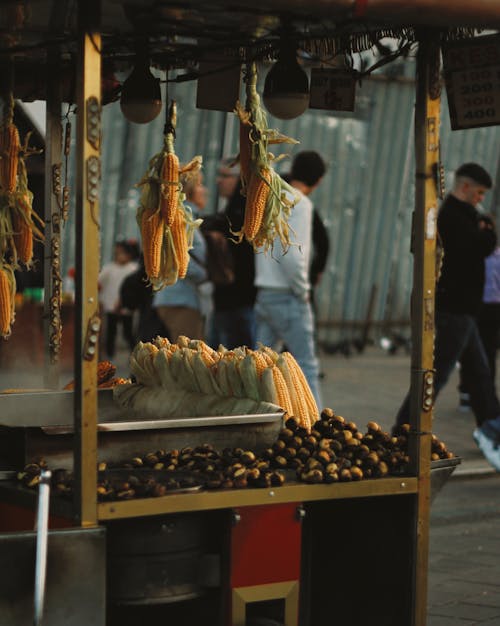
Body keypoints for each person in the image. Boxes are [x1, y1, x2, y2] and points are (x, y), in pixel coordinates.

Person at [394, 162, 500, 470]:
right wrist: (488, 234)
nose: (480, 199)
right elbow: (476, 248)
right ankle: (403, 429)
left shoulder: (462, 216)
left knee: (479, 373)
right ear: (465, 187)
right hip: (455, 310)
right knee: (437, 374)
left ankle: (492, 427)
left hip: (464, 310)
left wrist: (485, 231)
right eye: (479, 193)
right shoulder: (454, 216)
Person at [254, 150, 326, 408]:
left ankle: (257, 417)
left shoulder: (271, 197)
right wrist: (302, 290)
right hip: (287, 295)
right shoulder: (300, 203)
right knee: (306, 363)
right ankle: (315, 425)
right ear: (318, 181)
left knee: (261, 367)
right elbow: (292, 256)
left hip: (264, 291)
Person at [152, 170, 208, 341]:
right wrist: (206, 275)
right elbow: (178, 258)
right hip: (180, 299)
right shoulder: (183, 218)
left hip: (177, 297)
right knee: (187, 357)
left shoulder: (180, 216)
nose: (205, 190)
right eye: (200, 185)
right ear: (188, 189)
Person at [207, 158, 257, 349]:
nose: (219, 181)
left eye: (225, 176)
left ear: (240, 180)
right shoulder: (228, 211)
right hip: (224, 299)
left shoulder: (246, 212)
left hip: (241, 301)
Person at [459, 215, 500, 409]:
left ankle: (487, 394)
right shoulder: (470, 254)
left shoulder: (497, 256)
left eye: (487, 228)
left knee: (487, 351)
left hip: (492, 308)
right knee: (467, 350)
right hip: (472, 306)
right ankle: (466, 392)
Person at [98, 239, 140, 358]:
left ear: (129, 254)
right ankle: (110, 355)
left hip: (126, 306)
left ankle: (134, 353)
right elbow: (99, 282)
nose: (119, 256)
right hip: (111, 305)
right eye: (117, 253)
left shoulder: (133, 269)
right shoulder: (109, 268)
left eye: (121, 253)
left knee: (128, 332)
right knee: (111, 332)